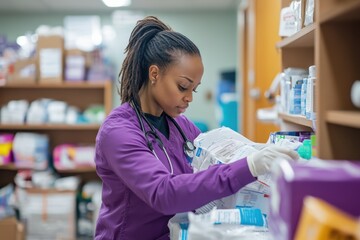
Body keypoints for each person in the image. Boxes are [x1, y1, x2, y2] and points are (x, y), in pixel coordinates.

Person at [94, 16, 299, 240]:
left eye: (194, 89)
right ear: (154, 74)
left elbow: (218, 162)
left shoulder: (182, 127)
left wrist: (255, 153)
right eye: (183, 86)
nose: (189, 97)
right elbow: (163, 192)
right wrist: (249, 166)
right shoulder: (118, 132)